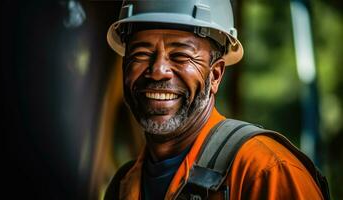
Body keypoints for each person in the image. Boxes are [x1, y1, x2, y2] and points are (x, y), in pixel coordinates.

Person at [104, 0, 328, 199]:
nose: (158, 71)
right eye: (141, 54)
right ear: (124, 67)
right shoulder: (124, 185)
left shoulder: (265, 171)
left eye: (180, 56)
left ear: (215, 75)